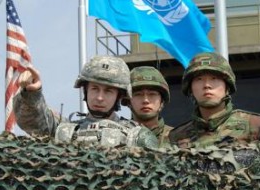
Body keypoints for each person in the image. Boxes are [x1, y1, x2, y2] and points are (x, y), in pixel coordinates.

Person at [13, 55, 158, 148]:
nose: (99, 97)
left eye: (108, 91)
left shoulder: (137, 137)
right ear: (85, 90)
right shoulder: (64, 129)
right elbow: (33, 122)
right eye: (95, 88)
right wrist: (32, 93)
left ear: (119, 96)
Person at [169, 52, 260, 148]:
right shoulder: (177, 136)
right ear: (190, 88)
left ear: (227, 87)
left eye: (214, 78)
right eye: (199, 79)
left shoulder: (254, 125)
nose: (206, 85)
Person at [122, 66, 173, 147]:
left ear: (162, 102)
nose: (145, 100)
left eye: (152, 94)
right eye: (138, 94)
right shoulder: (118, 137)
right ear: (128, 102)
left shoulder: (177, 138)